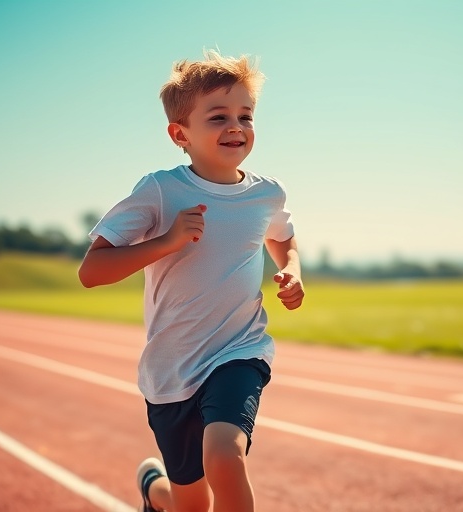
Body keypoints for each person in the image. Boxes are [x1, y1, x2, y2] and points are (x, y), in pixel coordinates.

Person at [78, 50, 304, 512]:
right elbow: (91, 272)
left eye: (246, 115)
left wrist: (292, 272)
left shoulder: (267, 193)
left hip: (238, 352)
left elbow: (284, 238)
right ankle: (155, 493)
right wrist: (165, 241)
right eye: (218, 116)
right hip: (170, 372)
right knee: (191, 505)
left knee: (225, 456)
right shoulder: (161, 190)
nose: (236, 126)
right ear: (180, 134)